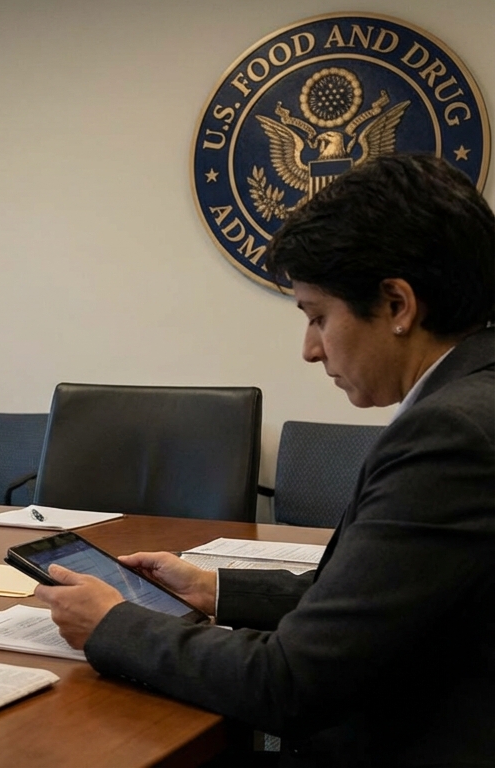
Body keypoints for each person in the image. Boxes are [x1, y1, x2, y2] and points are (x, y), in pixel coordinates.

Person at [34, 153, 495, 766]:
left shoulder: (450, 435)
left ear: (397, 305)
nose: (309, 350)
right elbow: (372, 600)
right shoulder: (474, 396)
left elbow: (291, 683)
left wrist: (113, 625)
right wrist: (211, 588)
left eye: (318, 316)